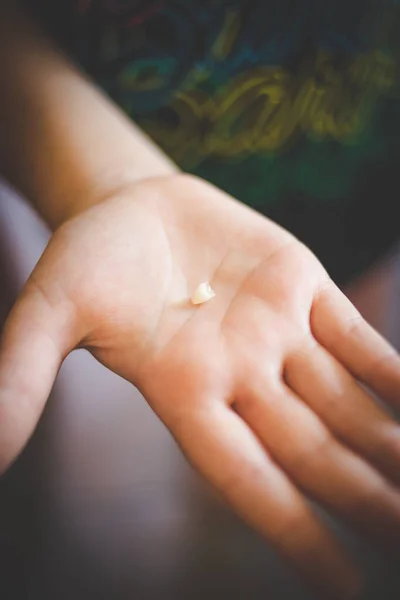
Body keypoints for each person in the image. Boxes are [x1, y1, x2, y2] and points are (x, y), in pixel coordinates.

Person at [0, 1, 400, 598]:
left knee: (320, 363)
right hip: (111, 162)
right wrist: (104, 181)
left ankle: (240, 507)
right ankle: (228, 498)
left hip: (353, 180)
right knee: (225, 397)